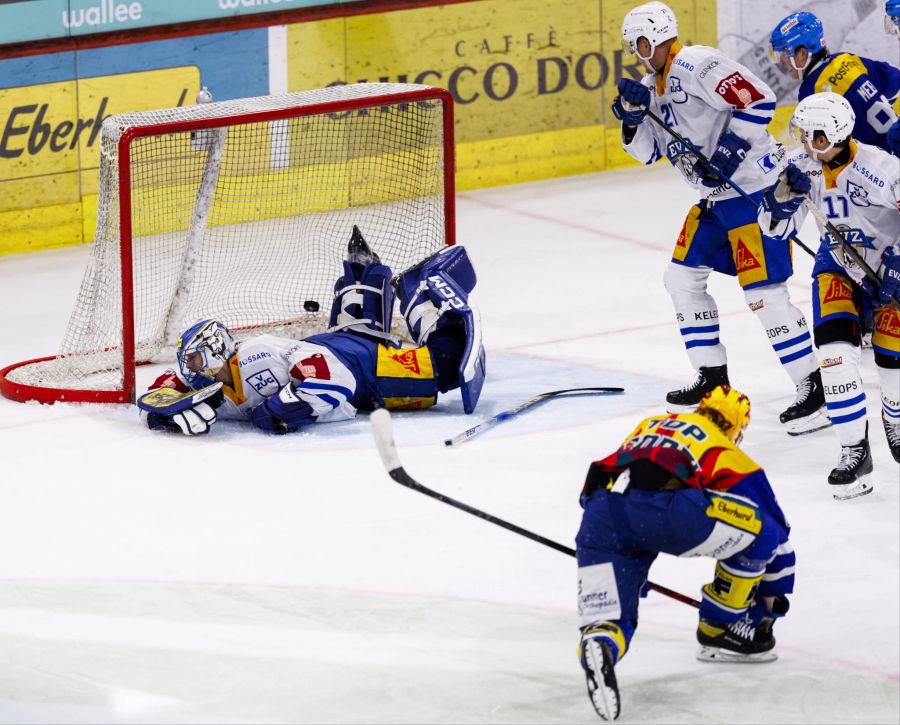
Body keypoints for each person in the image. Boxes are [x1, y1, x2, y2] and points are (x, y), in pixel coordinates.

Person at [614, 2, 825, 435]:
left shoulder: (698, 62)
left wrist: (728, 153)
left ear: (655, 36)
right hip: (715, 198)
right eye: (632, 46)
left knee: (765, 295)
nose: (635, 52)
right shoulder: (649, 86)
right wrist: (633, 119)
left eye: (638, 43)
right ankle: (712, 378)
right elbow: (646, 152)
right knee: (681, 280)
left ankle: (815, 386)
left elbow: (759, 101)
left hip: (755, 190)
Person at [575, 386, 794, 721]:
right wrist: (769, 604)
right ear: (735, 429)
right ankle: (722, 625)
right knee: (761, 531)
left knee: (609, 612)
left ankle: (602, 640)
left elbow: (619, 482)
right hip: (663, 510)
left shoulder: (650, 424)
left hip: (599, 514)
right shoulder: (720, 444)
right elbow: (777, 533)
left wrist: (626, 567)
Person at [139, 227, 486, 435]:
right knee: (362, 334)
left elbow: (338, 381)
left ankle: (418, 293)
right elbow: (159, 391)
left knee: (444, 367)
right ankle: (364, 277)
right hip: (332, 346)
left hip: (354, 366)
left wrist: (278, 410)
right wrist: (162, 417)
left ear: (216, 351)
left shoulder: (257, 353)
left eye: (196, 359)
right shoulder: (214, 385)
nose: (190, 370)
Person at [759, 92, 900, 499]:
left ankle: (894, 413)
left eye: (812, 136)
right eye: (802, 135)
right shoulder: (802, 167)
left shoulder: (882, 168)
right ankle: (855, 451)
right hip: (837, 268)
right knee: (836, 360)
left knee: (893, 370)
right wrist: (782, 200)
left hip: (888, 274)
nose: (804, 144)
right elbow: (773, 230)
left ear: (833, 134)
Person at [767, 11, 900, 152]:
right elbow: (895, 80)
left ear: (802, 54)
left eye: (783, 56)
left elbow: (824, 150)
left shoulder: (810, 91)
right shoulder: (847, 59)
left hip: (881, 166)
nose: (782, 62)